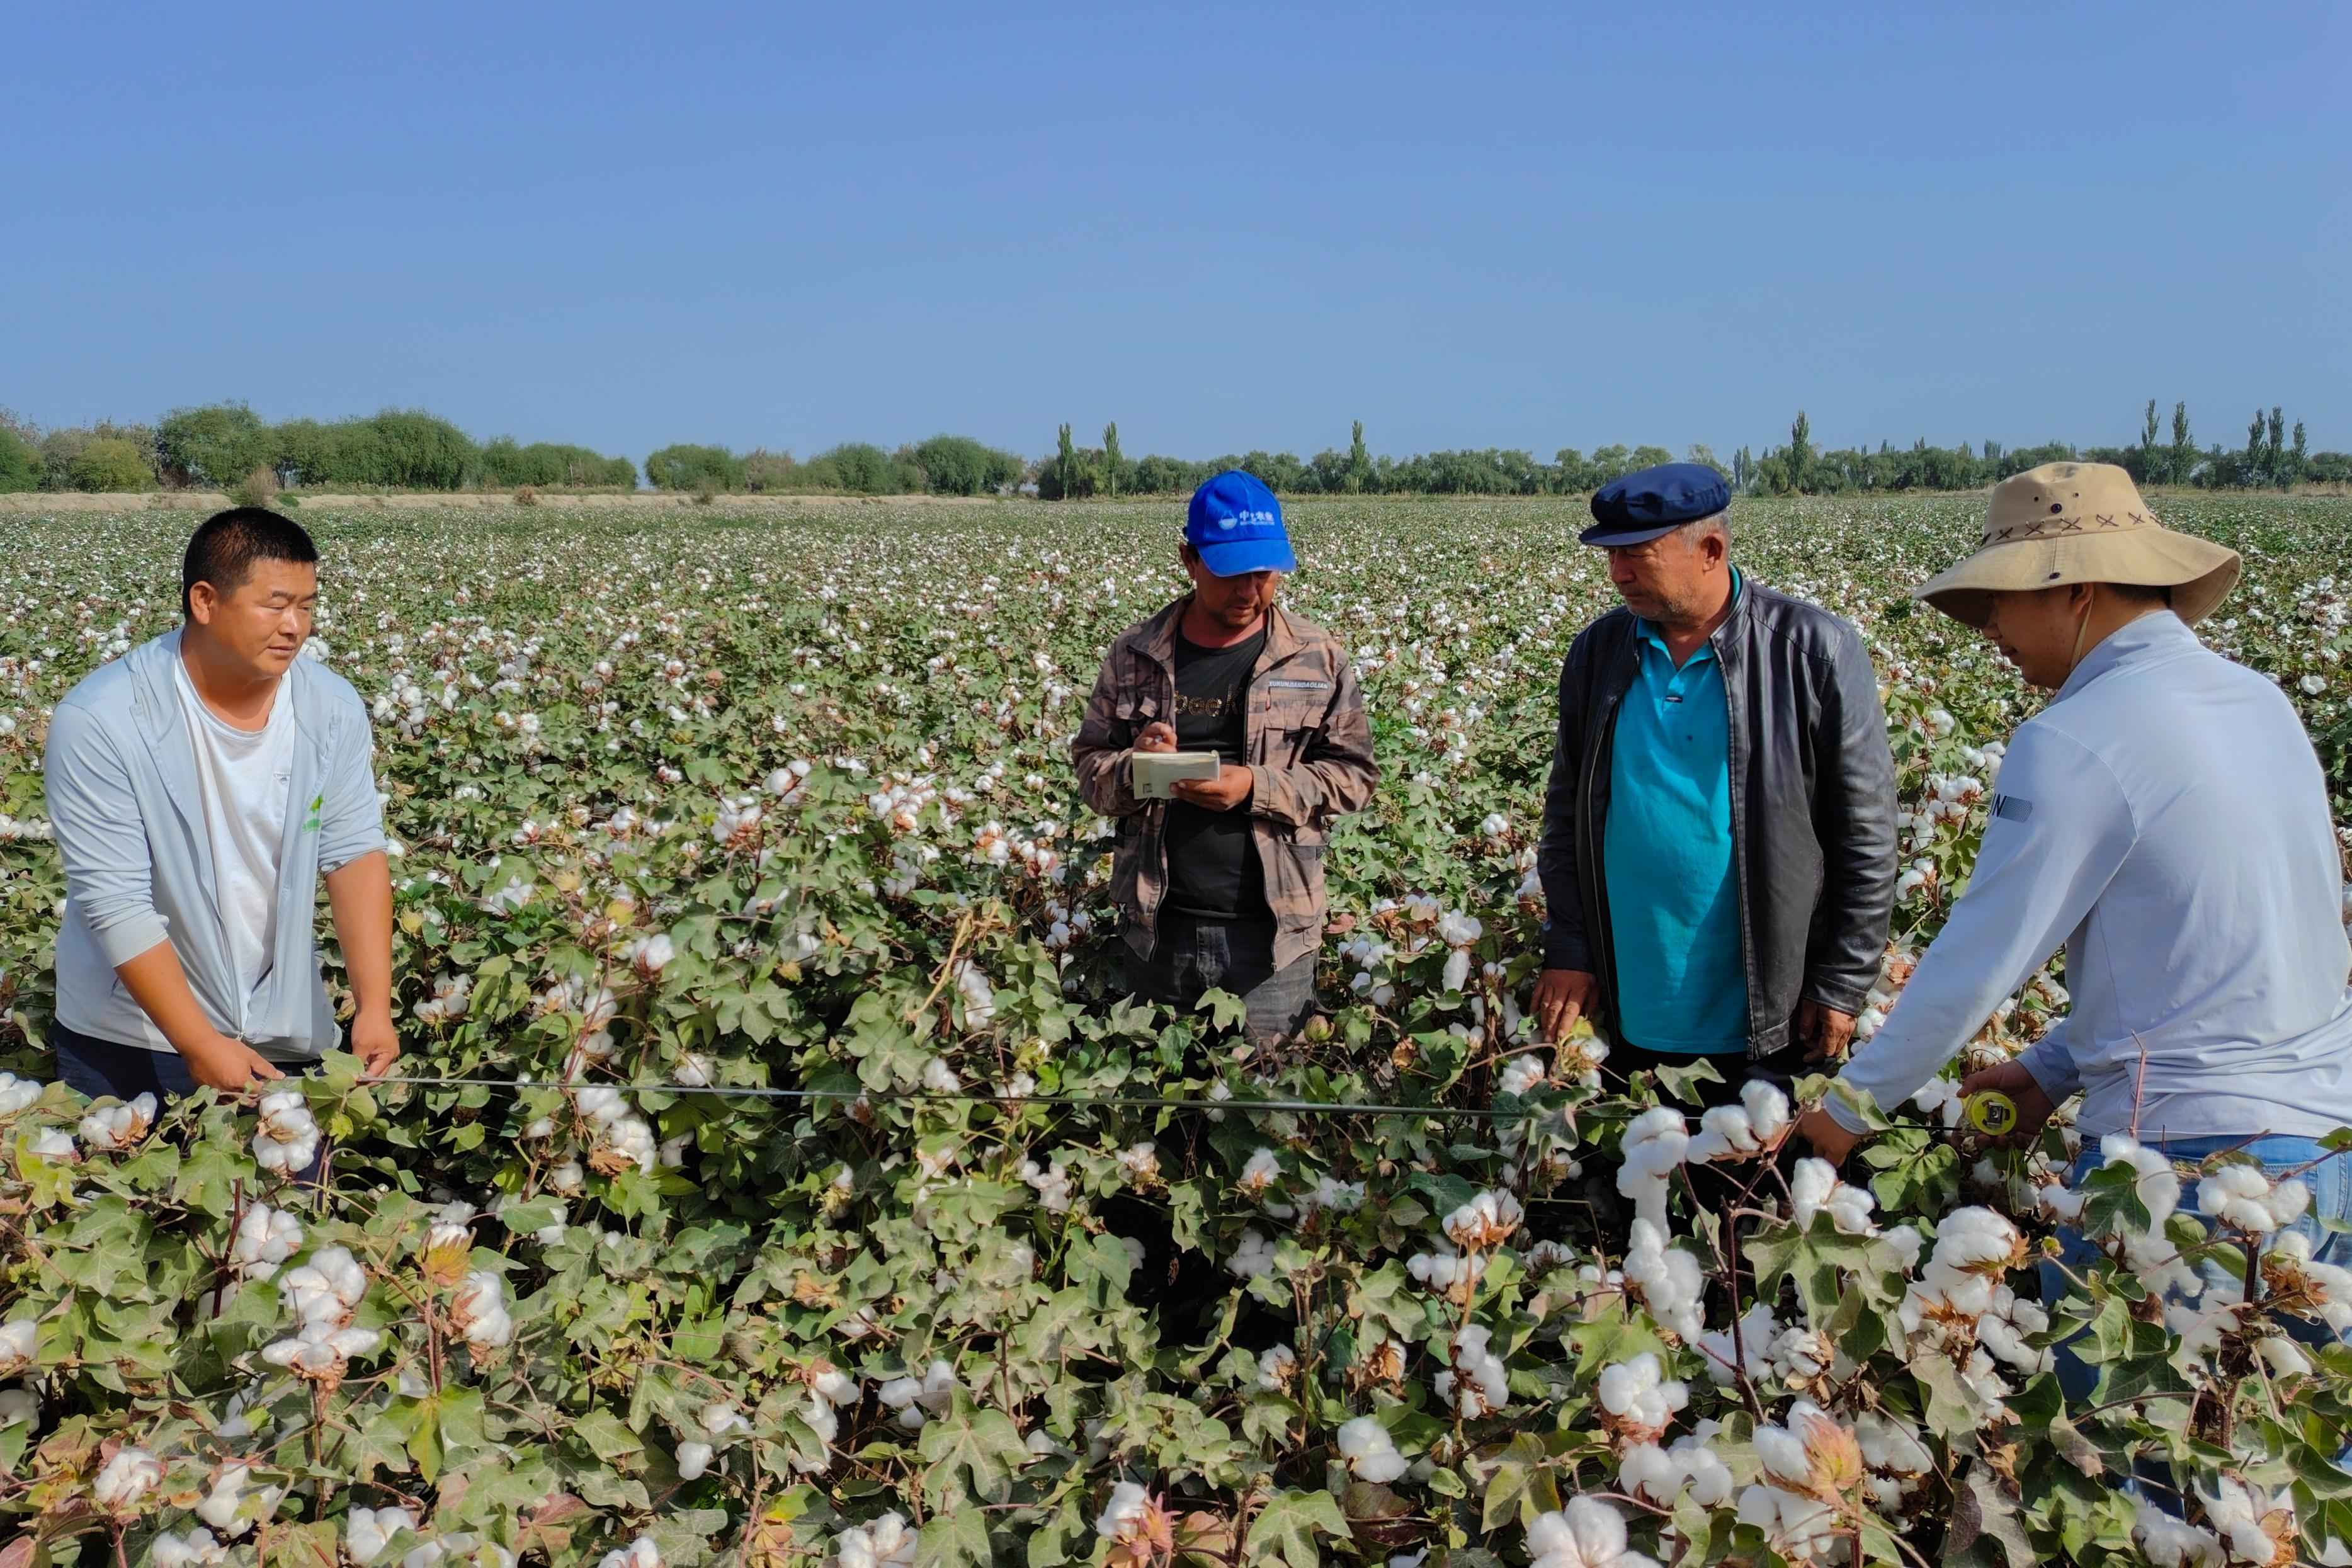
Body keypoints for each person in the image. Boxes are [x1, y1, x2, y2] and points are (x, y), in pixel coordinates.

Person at [1793, 464, 2352, 1358]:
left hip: (2180, 1170)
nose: (1988, 631)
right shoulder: (2260, 703)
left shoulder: (2071, 738)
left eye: (1998, 603)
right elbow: (2260, 937)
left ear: (2074, 590)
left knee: (2140, 1471)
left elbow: (1979, 957)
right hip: (2322, 1161)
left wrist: (1848, 1108)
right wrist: (2053, 1067)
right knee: (2276, 1478)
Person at [1532, 462, 1897, 1106]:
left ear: (1711, 550)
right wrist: (1570, 946)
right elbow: (1566, 814)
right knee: (1642, 1188)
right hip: (1632, 1000)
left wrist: (1842, 983)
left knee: (1752, 1190)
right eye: (1610, 557)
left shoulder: (1813, 651)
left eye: (1636, 556)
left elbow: (1866, 836)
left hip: (1766, 1011)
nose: (1618, 575)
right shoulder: (1598, 652)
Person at [43, 506, 399, 1114]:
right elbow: (115, 900)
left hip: (281, 1026)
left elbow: (353, 853)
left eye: (307, 606)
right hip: (131, 1038)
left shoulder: (330, 707)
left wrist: (374, 1006)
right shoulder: (102, 720)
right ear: (205, 601)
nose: (295, 626)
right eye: (275, 604)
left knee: (284, 1203)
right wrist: (199, 1042)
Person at [1071, 469, 1377, 1046]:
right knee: (1158, 1108)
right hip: (1157, 931)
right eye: (1232, 573)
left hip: (1273, 940)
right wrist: (1136, 768)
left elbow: (1354, 778)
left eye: (1263, 574)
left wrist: (1255, 787)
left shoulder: (1318, 659)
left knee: (1266, 1111)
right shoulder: (1134, 655)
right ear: (1189, 559)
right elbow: (1091, 771)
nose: (1249, 591)